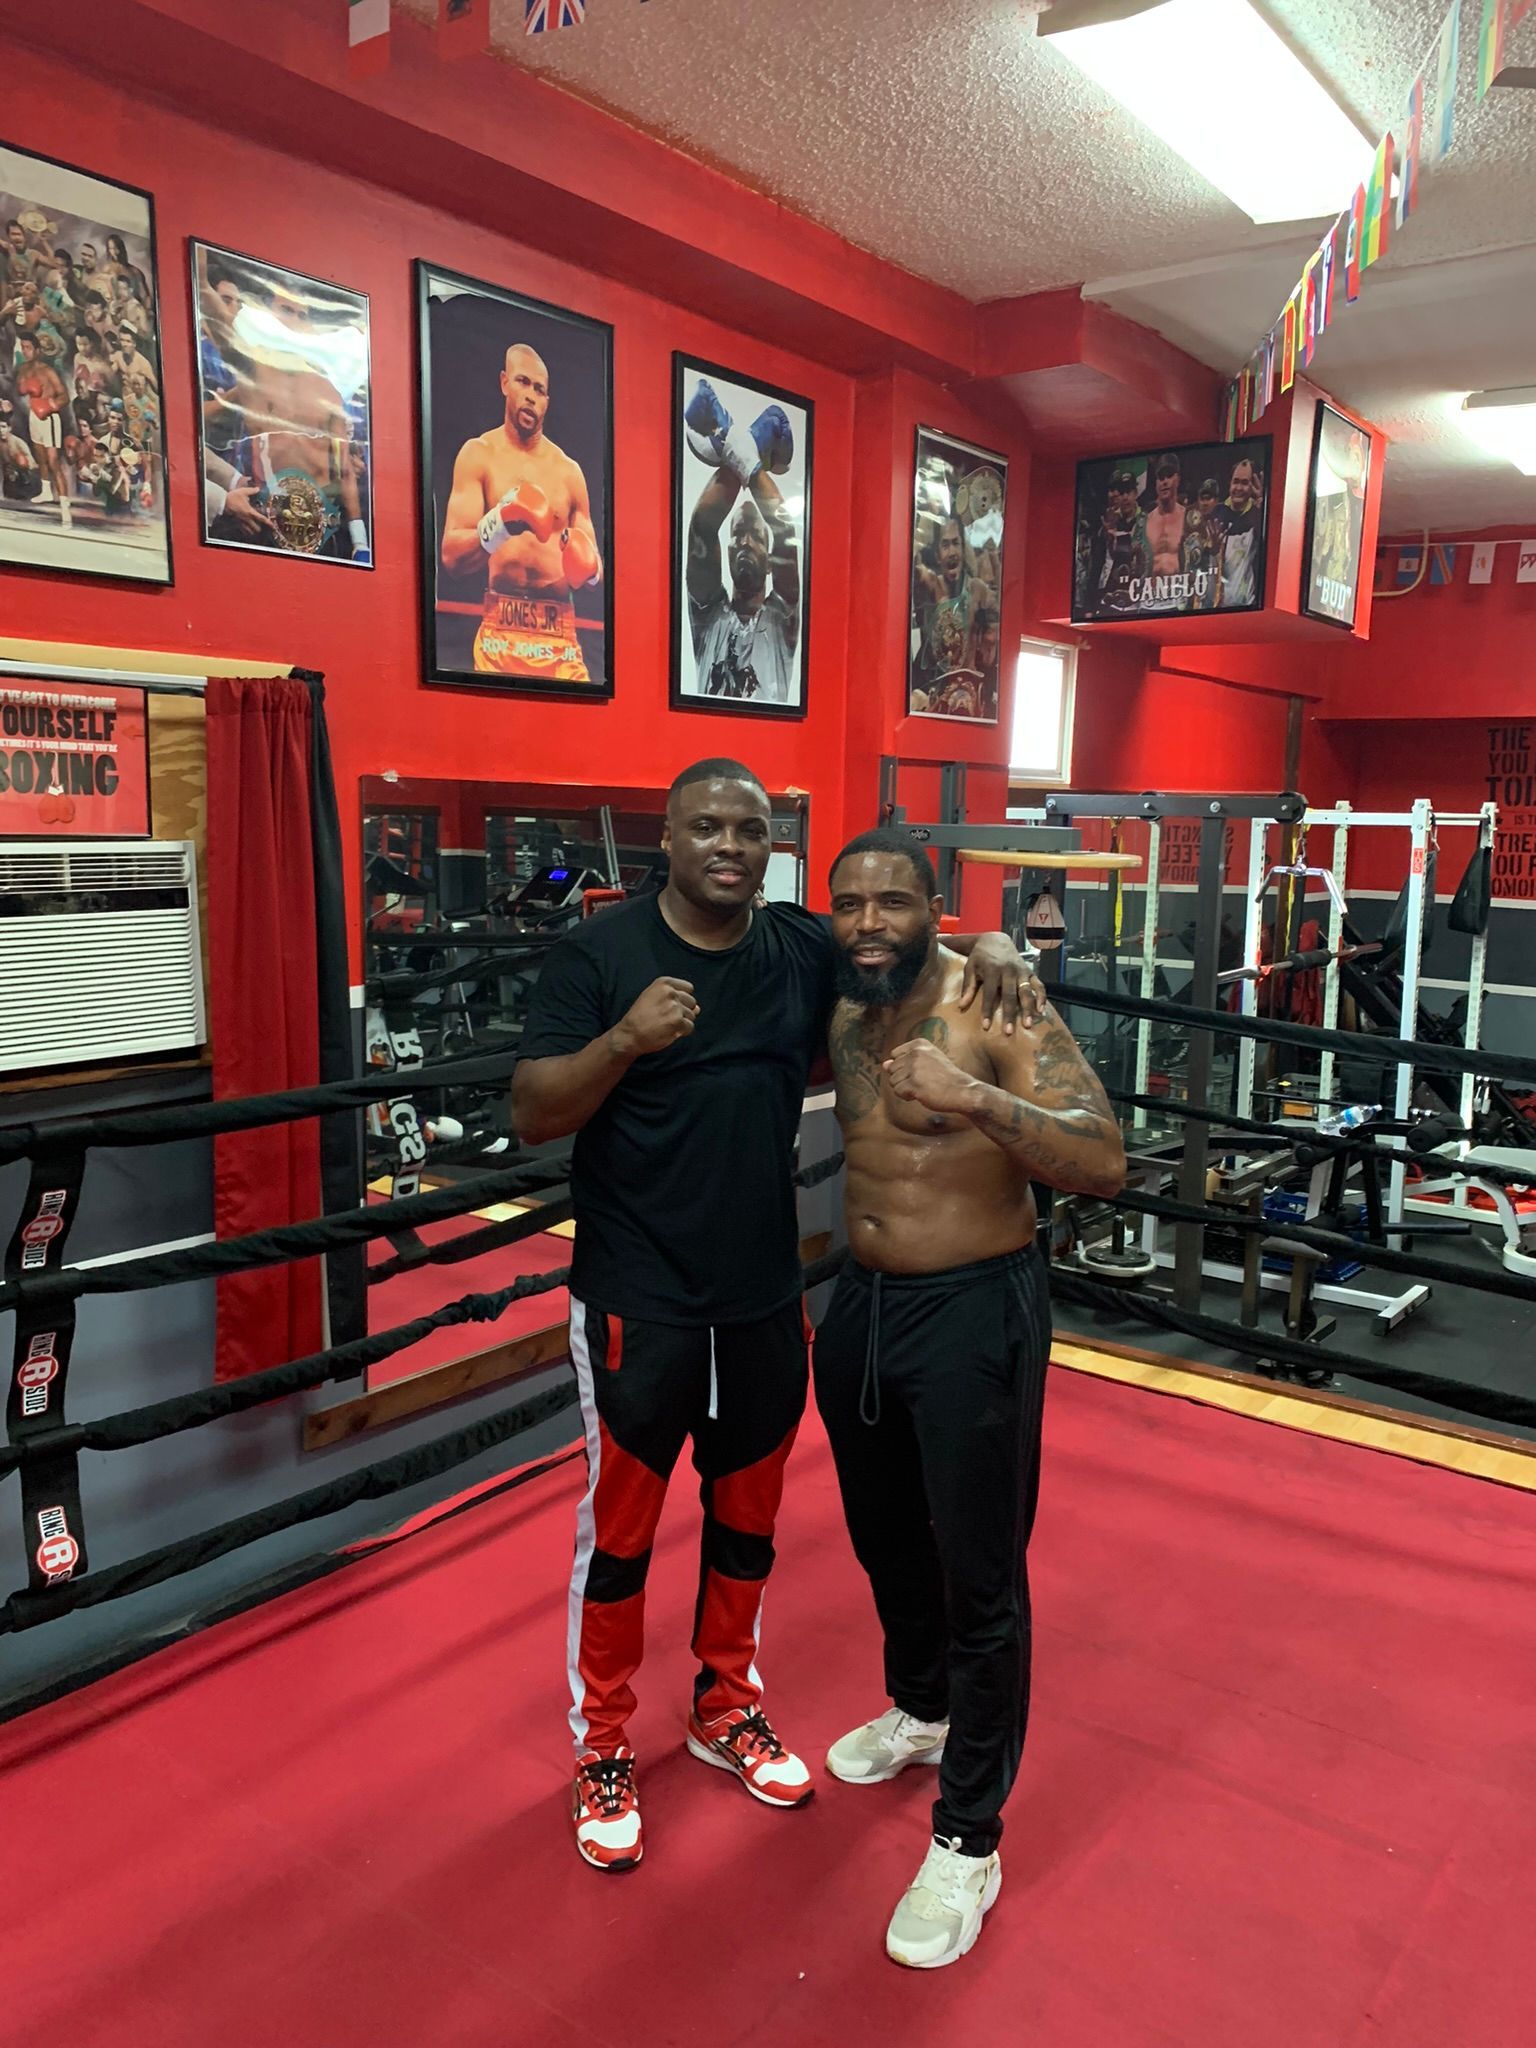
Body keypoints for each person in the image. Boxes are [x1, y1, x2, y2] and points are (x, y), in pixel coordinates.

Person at [510, 760, 1042, 1875]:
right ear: (668, 832)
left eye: (750, 830)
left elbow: (905, 952)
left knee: (749, 1520)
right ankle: (603, 1742)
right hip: (637, 1297)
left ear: (770, 845)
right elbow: (531, 1114)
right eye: (707, 825)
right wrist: (623, 1043)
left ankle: (724, 1703)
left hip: (760, 1295)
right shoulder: (598, 957)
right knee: (622, 1533)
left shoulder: (798, 945)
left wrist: (997, 945)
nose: (729, 846)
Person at [816, 828, 1126, 1970]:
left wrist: (975, 1097)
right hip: (859, 1304)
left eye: (894, 901)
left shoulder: (996, 998)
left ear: (934, 907)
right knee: (884, 1537)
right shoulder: (843, 997)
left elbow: (1104, 1159)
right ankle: (920, 1703)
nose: (868, 920)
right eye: (849, 901)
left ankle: (968, 1835)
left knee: (979, 1571)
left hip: (973, 1308)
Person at [440, 341, 601, 678]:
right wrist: (502, 521)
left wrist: (589, 567)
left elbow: (595, 570)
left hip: (560, 639)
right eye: (523, 382)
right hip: (500, 633)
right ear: (504, 383)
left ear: (547, 402)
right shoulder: (478, 454)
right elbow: (452, 558)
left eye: (540, 390)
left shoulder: (569, 472)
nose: (531, 395)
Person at [684, 378, 798, 701]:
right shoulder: (708, 616)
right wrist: (748, 448)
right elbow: (702, 528)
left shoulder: (781, 620)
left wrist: (734, 446)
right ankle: (755, 437)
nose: (745, 542)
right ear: (728, 548)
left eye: (755, 536)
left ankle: (735, 436)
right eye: (737, 534)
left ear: (771, 564)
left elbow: (785, 532)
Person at [14, 334, 71, 526]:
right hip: (34, 417)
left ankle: (65, 509)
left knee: (53, 461)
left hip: (49, 418)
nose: (25, 351)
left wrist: (50, 404)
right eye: (23, 347)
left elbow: (65, 396)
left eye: (29, 347)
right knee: (40, 457)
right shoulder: (23, 369)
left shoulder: (47, 371)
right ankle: (46, 490)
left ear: (37, 350)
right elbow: (21, 390)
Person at [1217, 457, 1262, 607]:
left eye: (1245, 483)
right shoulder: (1216, 514)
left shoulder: (1258, 516)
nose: (1239, 488)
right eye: (1236, 481)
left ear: (1252, 486)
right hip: (1215, 607)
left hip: (1247, 607)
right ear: (1229, 483)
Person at [1143, 452, 1187, 587]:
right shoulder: (1145, 521)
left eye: (1169, 476)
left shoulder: (1188, 518)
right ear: (1156, 483)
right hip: (1149, 598)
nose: (1165, 481)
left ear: (1178, 479)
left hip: (1180, 595)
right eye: (1161, 477)